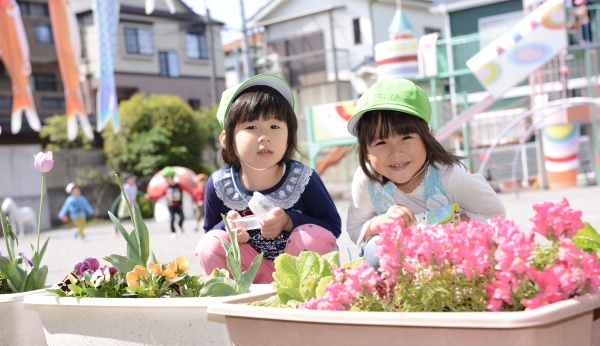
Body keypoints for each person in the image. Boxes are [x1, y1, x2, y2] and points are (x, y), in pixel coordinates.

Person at [194, 74, 342, 283]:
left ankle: (311, 300)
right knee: (212, 244)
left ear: (289, 135)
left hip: (299, 274)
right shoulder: (219, 184)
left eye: (275, 126)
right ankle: (237, 300)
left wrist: (290, 222)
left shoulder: (304, 178)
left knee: (313, 237)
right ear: (227, 140)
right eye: (251, 127)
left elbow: (331, 227)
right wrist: (229, 229)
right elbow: (210, 232)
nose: (265, 136)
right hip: (249, 276)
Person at [346, 79, 506, 268]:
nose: (396, 152)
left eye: (406, 138)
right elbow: (355, 229)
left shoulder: (450, 175)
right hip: (403, 262)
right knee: (375, 250)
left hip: (449, 256)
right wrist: (378, 223)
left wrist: (449, 225)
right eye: (381, 142)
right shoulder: (367, 180)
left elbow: (495, 216)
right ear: (364, 148)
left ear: (427, 135)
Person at [161, 166, 184, 238]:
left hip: (178, 205)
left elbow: (187, 189)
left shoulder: (178, 185)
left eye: (166, 177)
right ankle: (173, 231)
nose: (165, 179)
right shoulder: (167, 187)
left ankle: (180, 225)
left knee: (182, 217)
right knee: (172, 218)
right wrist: (150, 196)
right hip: (171, 206)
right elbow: (160, 193)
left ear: (171, 177)